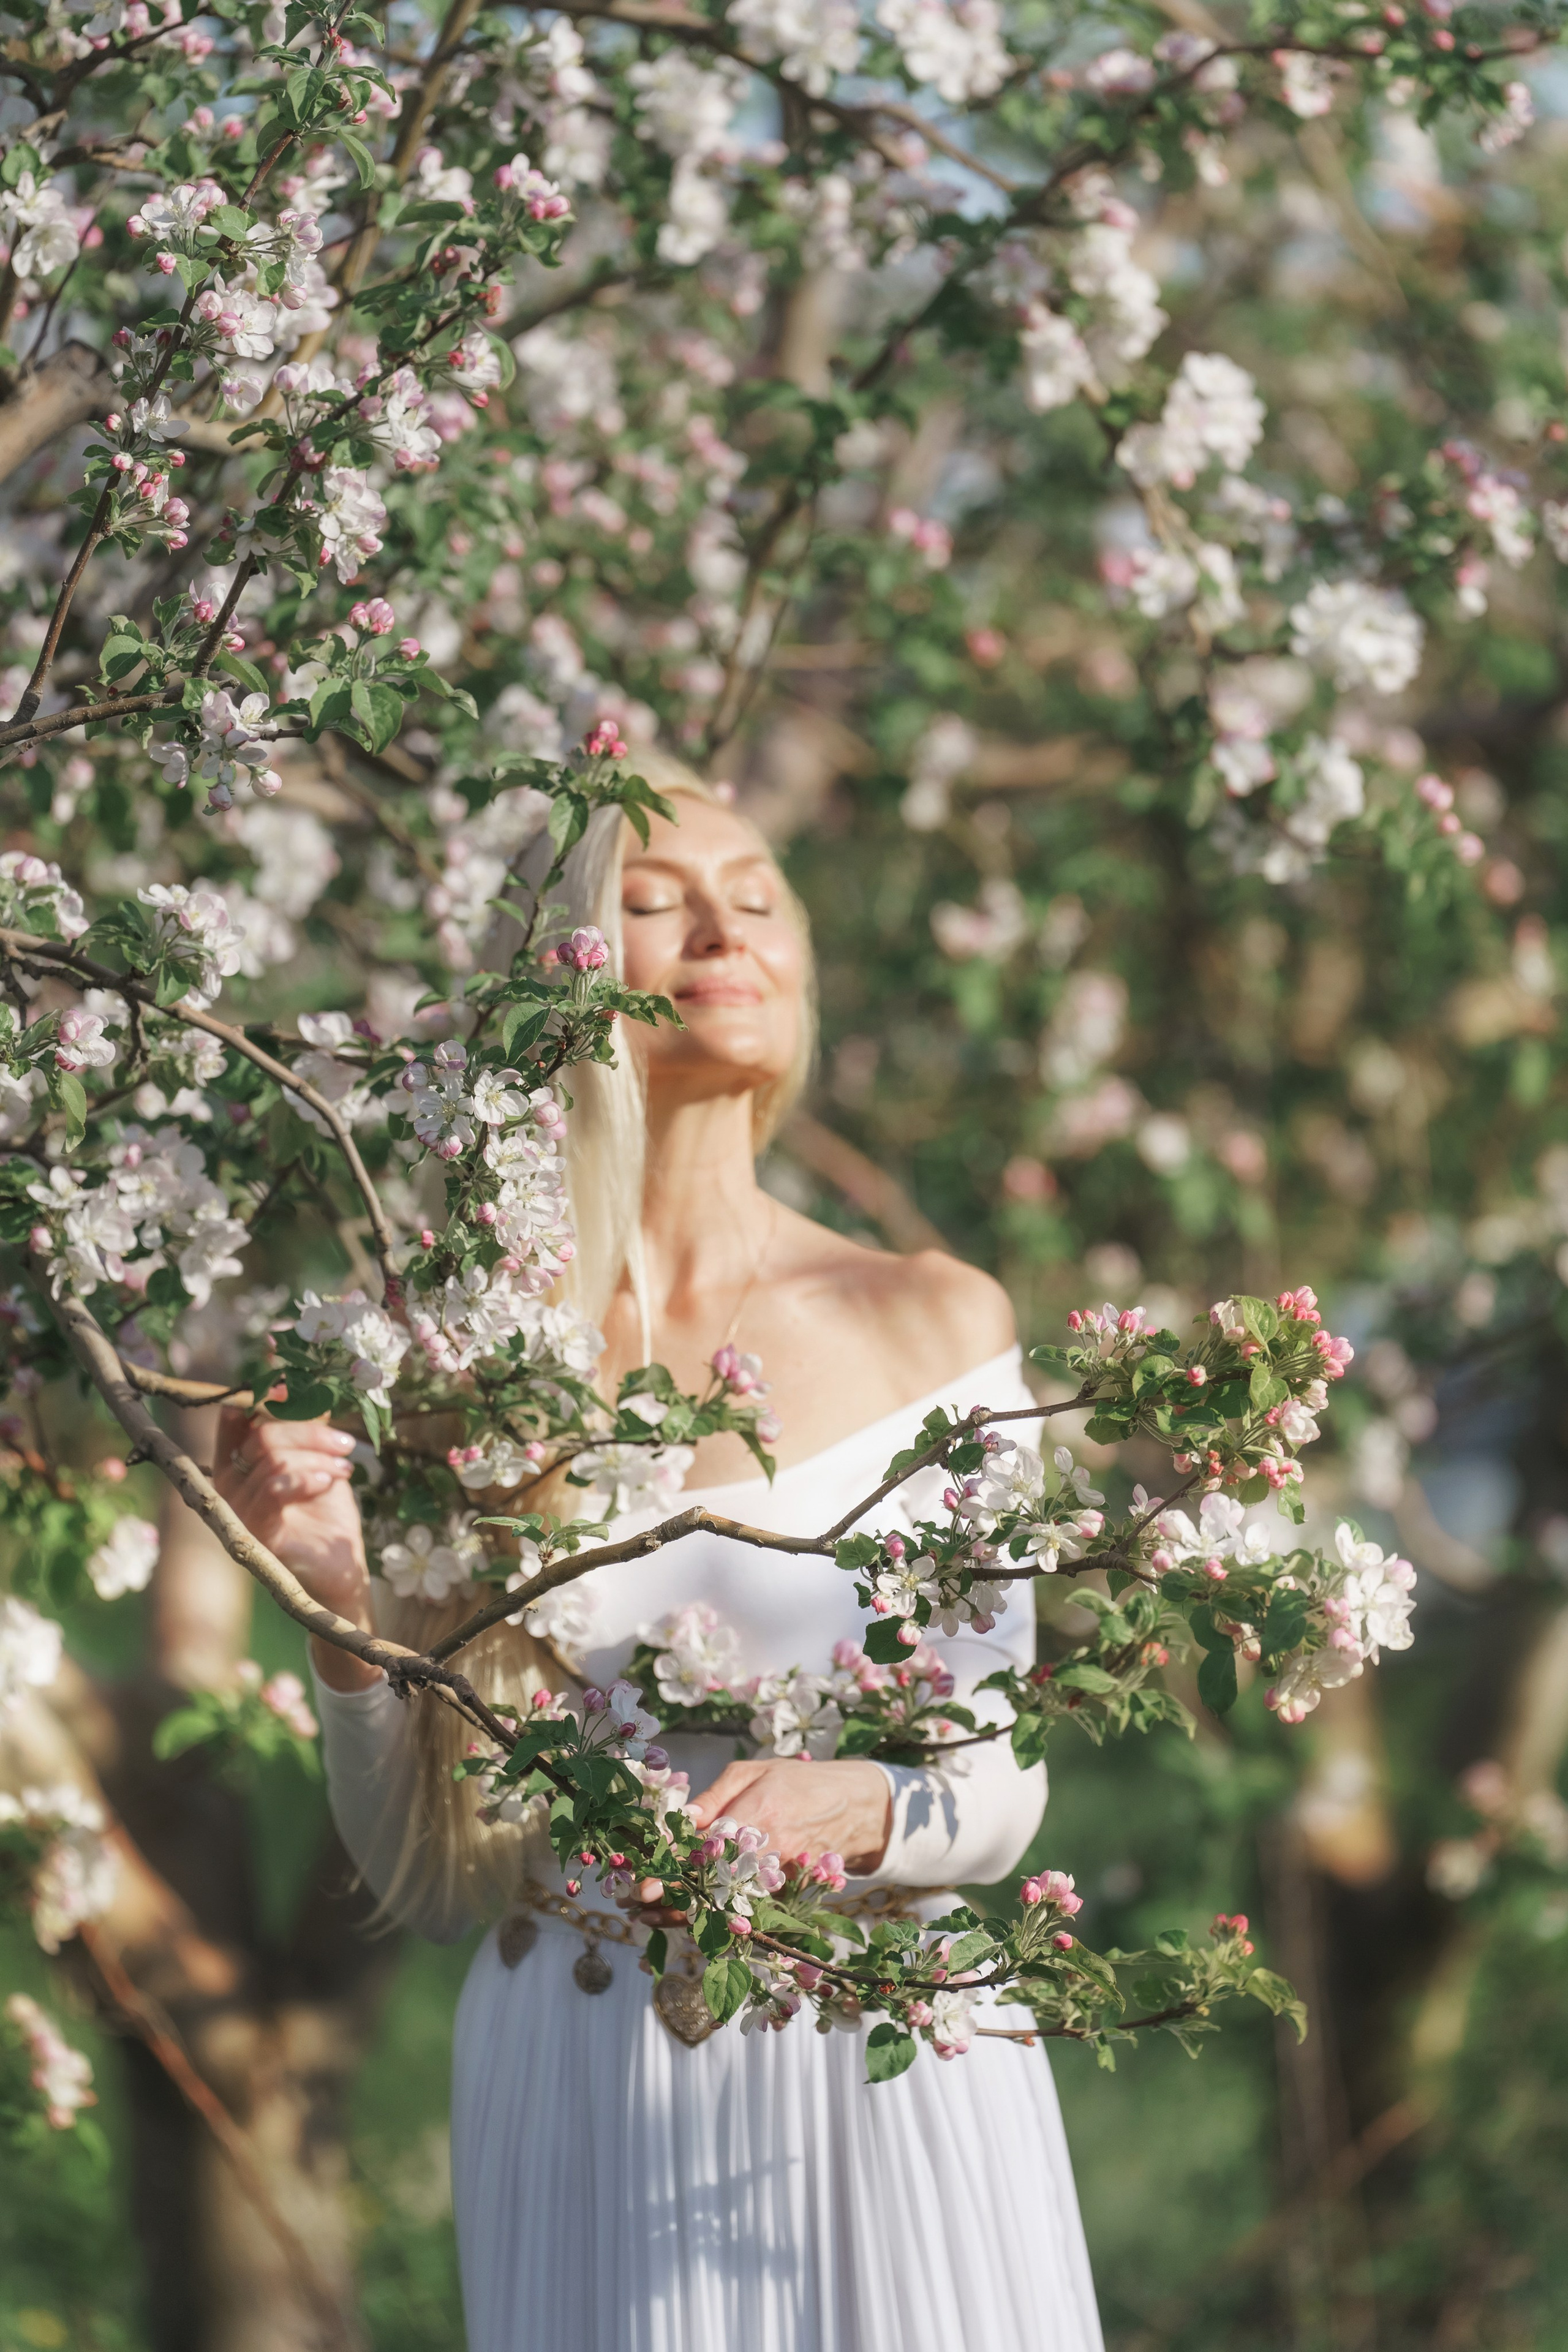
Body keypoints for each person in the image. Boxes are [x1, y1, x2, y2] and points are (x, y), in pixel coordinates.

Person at [218, 758, 1104, 2352]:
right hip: (584, 2062)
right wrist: (337, 1605)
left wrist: (865, 1805)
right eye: (654, 901)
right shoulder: (467, 1357)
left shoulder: (932, 1316)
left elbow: (1003, 1779)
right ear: (564, 974)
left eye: (758, 899)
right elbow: (431, 1872)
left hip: (876, 2041)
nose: (724, 931)